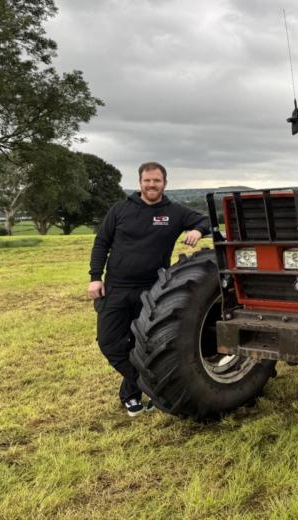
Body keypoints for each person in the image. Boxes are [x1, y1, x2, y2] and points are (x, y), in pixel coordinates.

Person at [88, 162, 210, 416]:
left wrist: (198, 230)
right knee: (110, 342)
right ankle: (151, 387)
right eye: (147, 180)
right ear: (140, 182)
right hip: (117, 288)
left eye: (156, 181)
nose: (151, 185)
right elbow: (101, 243)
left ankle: (130, 396)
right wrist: (95, 277)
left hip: (153, 291)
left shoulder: (174, 212)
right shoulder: (120, 210)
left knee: (144, 345)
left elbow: (206, 220)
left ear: (164, 183)